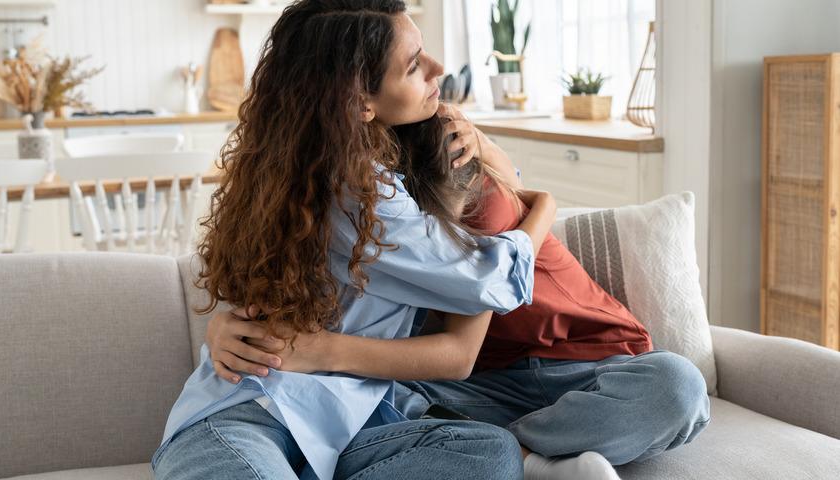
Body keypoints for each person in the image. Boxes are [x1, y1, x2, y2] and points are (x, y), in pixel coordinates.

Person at [152, 1, 558, 479]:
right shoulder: (357, 190)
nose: (438, 69)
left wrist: (482, 144)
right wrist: (547, 205)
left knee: (488, 452)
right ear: (360, 101)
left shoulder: (322, 166)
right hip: (249, 415)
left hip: (344, 430)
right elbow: (488, 277)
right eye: (413, 65)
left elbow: (490, 201)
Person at [210, 113, 712, 480]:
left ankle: (519, 457)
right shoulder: (378, 217)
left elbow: (472, 322)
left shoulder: (472, 201)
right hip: (479, 389)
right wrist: (226, 328)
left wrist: (533, 195)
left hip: (590, 364)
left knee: (676, 387)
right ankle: (518, 455)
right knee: (368, 399)